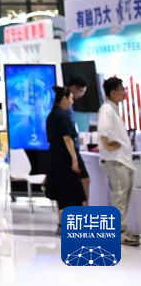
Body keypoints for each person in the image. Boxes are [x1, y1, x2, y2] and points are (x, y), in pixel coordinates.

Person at [97, 77, 140, 247]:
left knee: (123, 197)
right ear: (113, 92)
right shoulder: (107, 109)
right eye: (122, 89)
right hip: (116, 160)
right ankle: (119, 233)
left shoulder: (113, 109)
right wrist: (107, 145)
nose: (124, 92)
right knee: (119, 197)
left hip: (123, 160)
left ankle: (122, 230)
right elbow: (103, 130)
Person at [46, 86, 86, 224]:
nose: (72, 102)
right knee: (68, 192)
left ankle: (62, 223)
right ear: (64, 98)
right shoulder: (62, 116)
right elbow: (67, 139)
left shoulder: (51, 115)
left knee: (62, 193)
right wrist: (74, 159)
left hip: (54, 157)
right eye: (70, 98)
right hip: (64, 159)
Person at [64, 75, 90, 203]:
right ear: (73, 88)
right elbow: (66, 135)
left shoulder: (69, 105)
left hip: (72, 148)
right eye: (81, 91)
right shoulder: (65, 105)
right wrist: (74, 157)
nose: (82, 95)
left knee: (79, 181)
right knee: (84, 180)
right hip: (70, 149)